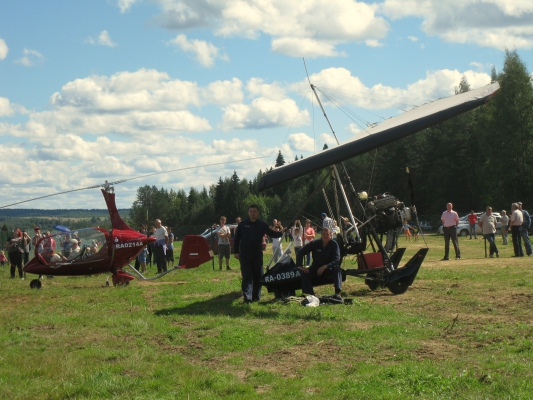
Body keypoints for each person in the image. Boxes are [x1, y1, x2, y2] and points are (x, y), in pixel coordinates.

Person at [233, 204, 283, 303]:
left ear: (258, 212)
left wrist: (282, 232)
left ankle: (256, 296)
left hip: (257, 254)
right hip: (245, 254)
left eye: (254, 211)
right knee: (247, 276)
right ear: (248, 213)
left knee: (258, 276)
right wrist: (236, 252)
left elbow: (272, 233)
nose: (252, 213)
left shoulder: (262, 224)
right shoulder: (242, 225)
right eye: (251, 211)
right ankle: (247, 297)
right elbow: (236, 239)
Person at [296, 227, 342, 300]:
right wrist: (299, 266)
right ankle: (310, 294)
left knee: (337, 269)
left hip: (328, 268)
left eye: (327, 234)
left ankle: (338, 292)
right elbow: (300, 252)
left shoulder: (334, 244)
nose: (325, 236)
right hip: (316, 267)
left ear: (330, 236)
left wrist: (325, 266)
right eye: (323, 234)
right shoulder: (315, 243)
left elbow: (337, 259)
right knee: (303, 273)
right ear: (321, 235)